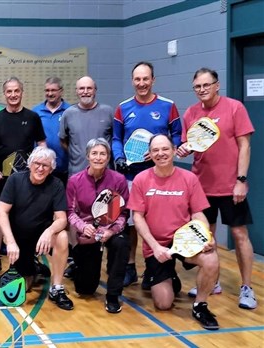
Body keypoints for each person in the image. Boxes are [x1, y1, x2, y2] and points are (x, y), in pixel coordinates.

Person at [176, 67, 257, 310]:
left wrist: (241, 180)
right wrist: (184, 149)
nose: (202, 90)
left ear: (217, 85)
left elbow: (245, 146)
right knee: (206, 235)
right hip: (202, 186)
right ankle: (214, 281)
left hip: (231, 186)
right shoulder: (191, 113)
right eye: (197, 87)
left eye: (206, 85)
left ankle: (247, 287)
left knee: (239, 234)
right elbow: (190, 144)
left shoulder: (234, 108)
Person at [129, 134, 220, 330]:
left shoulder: (189, 178)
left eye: (165, 149)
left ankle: (200, 305)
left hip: (186, 240)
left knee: (211, 258)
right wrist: (155, 247)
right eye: (155, 150)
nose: (160, 153)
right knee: (163, 304)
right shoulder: (141, 179)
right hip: (157, 245)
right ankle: (168, 276)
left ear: (173, 150)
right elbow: (138, 218)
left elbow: (197, 213)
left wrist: (207, 236)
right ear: (150, 154)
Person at [113, 62, 182, 287]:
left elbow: (177, 136)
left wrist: (163, 152)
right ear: (132, 81)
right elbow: (116, 138)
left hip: (162, 176)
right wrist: (119, 158)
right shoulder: (122, 108)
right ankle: (131, 267)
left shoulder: (168, 106)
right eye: (137, 79)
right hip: (132, 177)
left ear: (153, 80)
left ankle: (162, 267)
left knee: (161, 223)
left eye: (145, 79)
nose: (141, 83)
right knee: (132, 224)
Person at [0, 147, 73, 310]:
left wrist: (49, 231)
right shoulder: (15, 180)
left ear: (51, 169)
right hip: (18, 239)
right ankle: (33, 267)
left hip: (41, 239)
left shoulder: (56, 184)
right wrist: (9, 241)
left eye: (45, 165)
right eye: (37, 163)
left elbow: (62, 219)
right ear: (30, 164)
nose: (40, 168)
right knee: (25, 286)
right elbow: (1, 212)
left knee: (62, 237)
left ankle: (57, 288)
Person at [0, 77, 46, 278]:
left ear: (22, 92)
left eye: (16, 91)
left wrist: (42, 167)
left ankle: (31, 258)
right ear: (4, 94)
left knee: (27, 218)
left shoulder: (33, 117)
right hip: (0, 178)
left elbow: (41, 144)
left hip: (27, 179)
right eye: (9, 91)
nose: (13, 95)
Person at [66, 138, 130, 313]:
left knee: (121, 243)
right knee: (84, 289)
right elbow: (70, 212)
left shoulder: (119, 180)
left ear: (108, 157)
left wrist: (111, 230)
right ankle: (80, 267)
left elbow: (124, 213)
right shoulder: (75, 181)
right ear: (87, 156)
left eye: (103, 154)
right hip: (88, 232)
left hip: (111, 230)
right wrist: (82, 227)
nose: (98, 157)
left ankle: (113, 295)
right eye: (94, 153)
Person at [59, 76, 113, 177]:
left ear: (95, 90)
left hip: (104, 174)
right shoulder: (68, 114)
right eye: (81, 88)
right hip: (77, 173)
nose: (85, 92)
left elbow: (115, 139)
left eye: (89, 88)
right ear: (76, 91)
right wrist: (76, 153)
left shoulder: (108, 112)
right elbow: (63, 140)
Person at [32, 76, 71, 186]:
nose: (50, 93)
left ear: (61, 91)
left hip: (63, 167)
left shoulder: (70, 111)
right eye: (47, 90)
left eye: (53, 90)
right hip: (41, 168)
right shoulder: (36, 111)